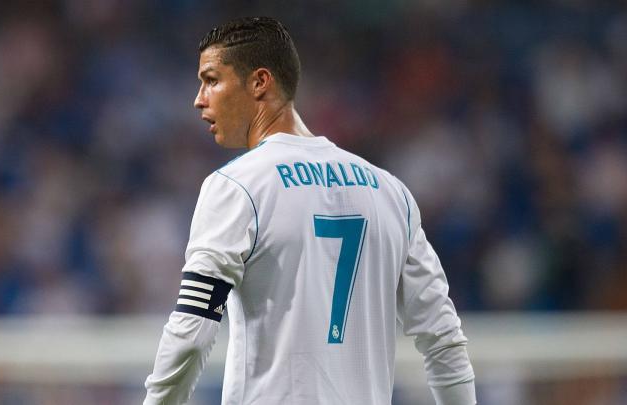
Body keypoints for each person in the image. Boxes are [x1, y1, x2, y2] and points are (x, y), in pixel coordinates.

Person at [144, 16, 475, 405]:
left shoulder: (237, 187)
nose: (199, 98)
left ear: (259, 82)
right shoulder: (390, 192)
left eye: (212, 80)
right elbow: (444, 339)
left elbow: (191, 333)